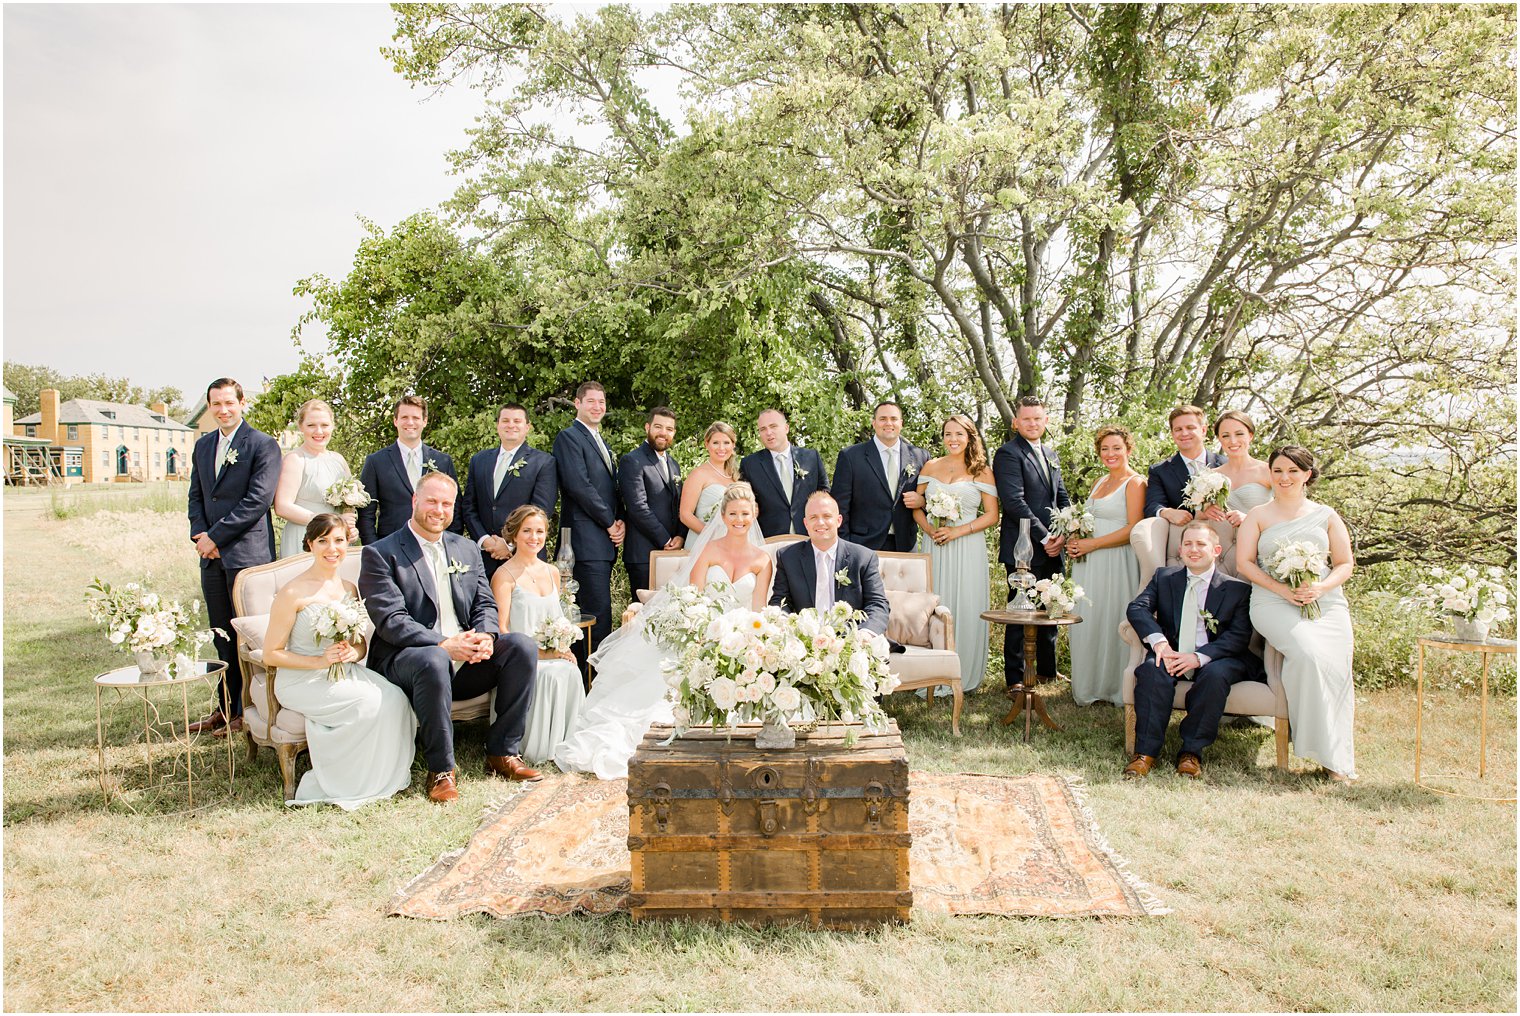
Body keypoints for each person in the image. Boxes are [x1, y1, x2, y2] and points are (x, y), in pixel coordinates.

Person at [554, 483, 768, 780]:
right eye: (733, 513)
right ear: (723, 515)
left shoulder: (762, 559)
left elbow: (757, 610)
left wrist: (743, 640)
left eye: (745, 513)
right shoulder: (708, 550)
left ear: (754, 513)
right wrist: (703, 632)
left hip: (738, 638)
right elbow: (693, 597)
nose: (739, 519)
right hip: (701, 630)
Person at [358, 471, 541, 803]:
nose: (439, 510)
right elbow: (391, 621)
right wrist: (444, 643)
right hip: (410, 663)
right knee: (434, 658)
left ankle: (503, 752)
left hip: (466, 660)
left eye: (446, 503)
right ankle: (441, 770)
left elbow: (484, 602)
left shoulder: (466, 548)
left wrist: (486, 635)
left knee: (521, 646)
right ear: (415, 501)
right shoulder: (381, 553)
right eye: (431, 501)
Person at [259, 514, 418, 808]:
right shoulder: (292, 592)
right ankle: (347, 781)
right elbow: (271, 654)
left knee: (396, 698)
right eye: (323, 541)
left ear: (348, 543)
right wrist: (319, 661)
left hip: (345, 671)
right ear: (309, 544)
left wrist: (352, 653)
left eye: (339, 540)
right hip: (302, 678)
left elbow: (359, 643)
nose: (332, 548)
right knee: (366, 704)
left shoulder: (349, 588)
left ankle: (379, 776)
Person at [1234, 446, 1357, 781]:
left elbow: (1345, 563)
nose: (1284, 477)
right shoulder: (1259, 515)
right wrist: (1283, 590)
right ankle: (1313, 743)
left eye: (1292, 471)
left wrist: (1320, 588)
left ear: (1307, 474)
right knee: (1308, 654)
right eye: (1277, 471)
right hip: (1273, 602)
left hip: (1326, 602)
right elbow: (1245, 563)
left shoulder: (1327, 515)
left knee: (1336, 666)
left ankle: (1337, 758)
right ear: (1270, 475)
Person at [1123, 521, 1265, 779]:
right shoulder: (1164, 577)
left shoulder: (1237, 590)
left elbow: (1238, 636)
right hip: (1172, 652)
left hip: (1218, 656)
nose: (1193, 549)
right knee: (1151, 671)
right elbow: (1137, 608)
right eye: (1188, 543)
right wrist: (1160, 643)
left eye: (1201, 544)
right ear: (1180, 549)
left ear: (1216, 550)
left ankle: (1191, 752)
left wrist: (1198, 658)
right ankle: (1145, 753)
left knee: (1214, 677)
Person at [186, 377, 281, 736]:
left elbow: (257, 501)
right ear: (209, 407)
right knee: (220, 634)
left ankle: (250, 710)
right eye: (216, 404)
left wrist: (216, 537)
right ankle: (224, 708)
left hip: (247, 555)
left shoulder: (262, 445)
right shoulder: (203, 445)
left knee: (248, 636)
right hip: (211, 556)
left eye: (229, 403)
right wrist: (200, 534)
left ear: (242, 403)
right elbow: (197, 495)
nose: (223, 410)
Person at [490, 505, 586, 765]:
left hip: (553, 653)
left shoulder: (553, 572)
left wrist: (562, 646)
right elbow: (502, 630)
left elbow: (558, 618)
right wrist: (540, 653)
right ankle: (534, 745)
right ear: (514, 534)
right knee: (553, 673)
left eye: (540, 531)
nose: (534, 537)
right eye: (527, 531)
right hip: (521, 659)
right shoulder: (503, 576)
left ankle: (565, 741)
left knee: (570, 670)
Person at [910, 414, 999, 690]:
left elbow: (992, 516)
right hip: (935, 545)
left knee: (966, 602)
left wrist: (957, 531)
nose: (953, 439)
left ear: (970, 436)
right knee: (936, 603)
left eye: (959, 434)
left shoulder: (981, 470)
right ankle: (930, 673)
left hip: (967, 546)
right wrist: (930, 530)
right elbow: (916, 505)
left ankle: (963, 670)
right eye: (948, 434)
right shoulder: (931, 465)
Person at [991, 395, 1071, 696]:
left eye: (1037, 418)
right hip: (1024, 546)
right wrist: (1045, 537)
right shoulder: (1008, 453)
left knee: (1052, 607)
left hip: (1054, 543)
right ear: (1016, 422)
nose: (1033, 423)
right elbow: (1014, 502)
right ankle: (1015, 676)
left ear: (1046, 420)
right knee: (1020, 610)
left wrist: (1065, 530)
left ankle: (1048, 671)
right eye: (1026, 419)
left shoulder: (1051, 454)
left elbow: (1060, 497)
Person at [1065, 426, 1145, 706]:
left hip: (1115, 561)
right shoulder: (1099, 481)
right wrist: (1076, 538)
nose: (1110, 454)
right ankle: (1088, 685)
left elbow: (1133, 527)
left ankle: (1114, 688)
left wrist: (1093, 544)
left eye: (1116, 448)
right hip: (1089, 562)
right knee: (1089, 619)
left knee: (1112, 617)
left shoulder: (1135, 483)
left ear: (1128, 449)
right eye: (1105, 449)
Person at [552, 381, 624, 665]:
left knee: (598, 616)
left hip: (602, 543)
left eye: (601, 402)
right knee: (594, 616)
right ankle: (588, 684)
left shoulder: (600, 441)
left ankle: (594, 681)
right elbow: (578, 485)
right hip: (583, 541)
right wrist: (609, 522)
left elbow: (610, 489)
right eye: (591, 401)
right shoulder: (569, 438)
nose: (597, 406)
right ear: (577, 403)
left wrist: (621, 522)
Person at [770, 491, 890, 637]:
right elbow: (780, 601)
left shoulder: (863, 557)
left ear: (839, 520)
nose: (820, 522)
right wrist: (785, 626)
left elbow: (877, 604)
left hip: (851, 641)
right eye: (813, 517)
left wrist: (864, 634)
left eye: (827, 516)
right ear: (806, 523)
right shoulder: (788, 557)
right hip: (804, 642)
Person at [462, 403, 558, 578]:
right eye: (505, 420)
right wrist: (485, 541)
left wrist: (509, 544)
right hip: (484, 558)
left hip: (524, 557)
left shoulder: (543, 462)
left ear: (527, 427)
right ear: (498, 425)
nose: (511, 425)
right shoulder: (479, 460)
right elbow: (469, 506)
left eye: (517, 421)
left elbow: (541, 511)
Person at [357, 395, 461, 545]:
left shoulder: (443, 461)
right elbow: (366, 513)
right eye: (404, 417)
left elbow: (455, 509)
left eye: (416, 417)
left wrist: (450, 545)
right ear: (395, 421)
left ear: (424, 421)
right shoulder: (376, 461)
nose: (410, 422)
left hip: (434, 544)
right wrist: (373, 548)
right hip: (390, 546)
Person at [832, 400, 929, 552]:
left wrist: (922, 501)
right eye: (883, 419)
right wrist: (846, 545)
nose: (888, 423)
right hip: (863, 545)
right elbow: (839, 506)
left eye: (893, 419)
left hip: (906, 544)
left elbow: (931, 497)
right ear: (874, 423)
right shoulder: (850, 456)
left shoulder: (920, 456)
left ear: (901, 423)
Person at [274, 399, 357, 558]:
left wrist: (349, 527)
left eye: (324, 425)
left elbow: (349, 502)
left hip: (335, 542)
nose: (319, 431)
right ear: (300, 426)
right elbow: (282, 506)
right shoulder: (295, 459)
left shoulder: (338, 460)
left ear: (332, 426)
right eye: (311, 425)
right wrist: (329, 523)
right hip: (305, 537)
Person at [618, 407, 684, 595]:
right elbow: (637, 507)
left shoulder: (673, 464)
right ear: (647, 427)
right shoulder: (633, 461)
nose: (663, 433)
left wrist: (680, 535)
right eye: (658, 427)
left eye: (669, 429)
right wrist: (666, 539)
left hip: (672, 552)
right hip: (643, 554)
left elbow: (679, 504)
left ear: (674, 433)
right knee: (644, 615)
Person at [739, 408, 829, 537]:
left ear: (786, 428)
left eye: (773, 426)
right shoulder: (749, 464)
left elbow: (824, 493)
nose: (768, 433)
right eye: (763, 429)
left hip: (809, 536)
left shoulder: (811, 457)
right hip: (770, 538)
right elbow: (745, 502)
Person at [1144, 404, 1225, 523]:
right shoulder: (1160, 471)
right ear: (1172, 434)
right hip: (1181, 534)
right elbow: (1152, 506)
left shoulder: (1224, 463)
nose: (1184, 433)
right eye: (1178, 429)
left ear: (1203, 430)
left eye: (1190, 427)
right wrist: (1167, 512)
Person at [1198, 410, 1273, 529]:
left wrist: (1250, 519)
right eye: (1225, 436)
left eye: (1239, 434)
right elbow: (1197, 515)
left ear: (1250, 435)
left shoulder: (1268, 471)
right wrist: (1205, 511)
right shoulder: (1210, 476)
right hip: (1220, 542)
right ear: (1219, 439)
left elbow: (1286, 509)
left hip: (1259, 538)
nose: (1233, 441)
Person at [678, 421, 741, 544]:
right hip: (703, 542)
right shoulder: (698, 474)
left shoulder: (735, 476)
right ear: (707, 444)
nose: (721, 448)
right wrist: (713, 536)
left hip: (731, 542)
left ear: (733, 445)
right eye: (716, 443)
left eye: (726, 443)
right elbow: (685, 514)